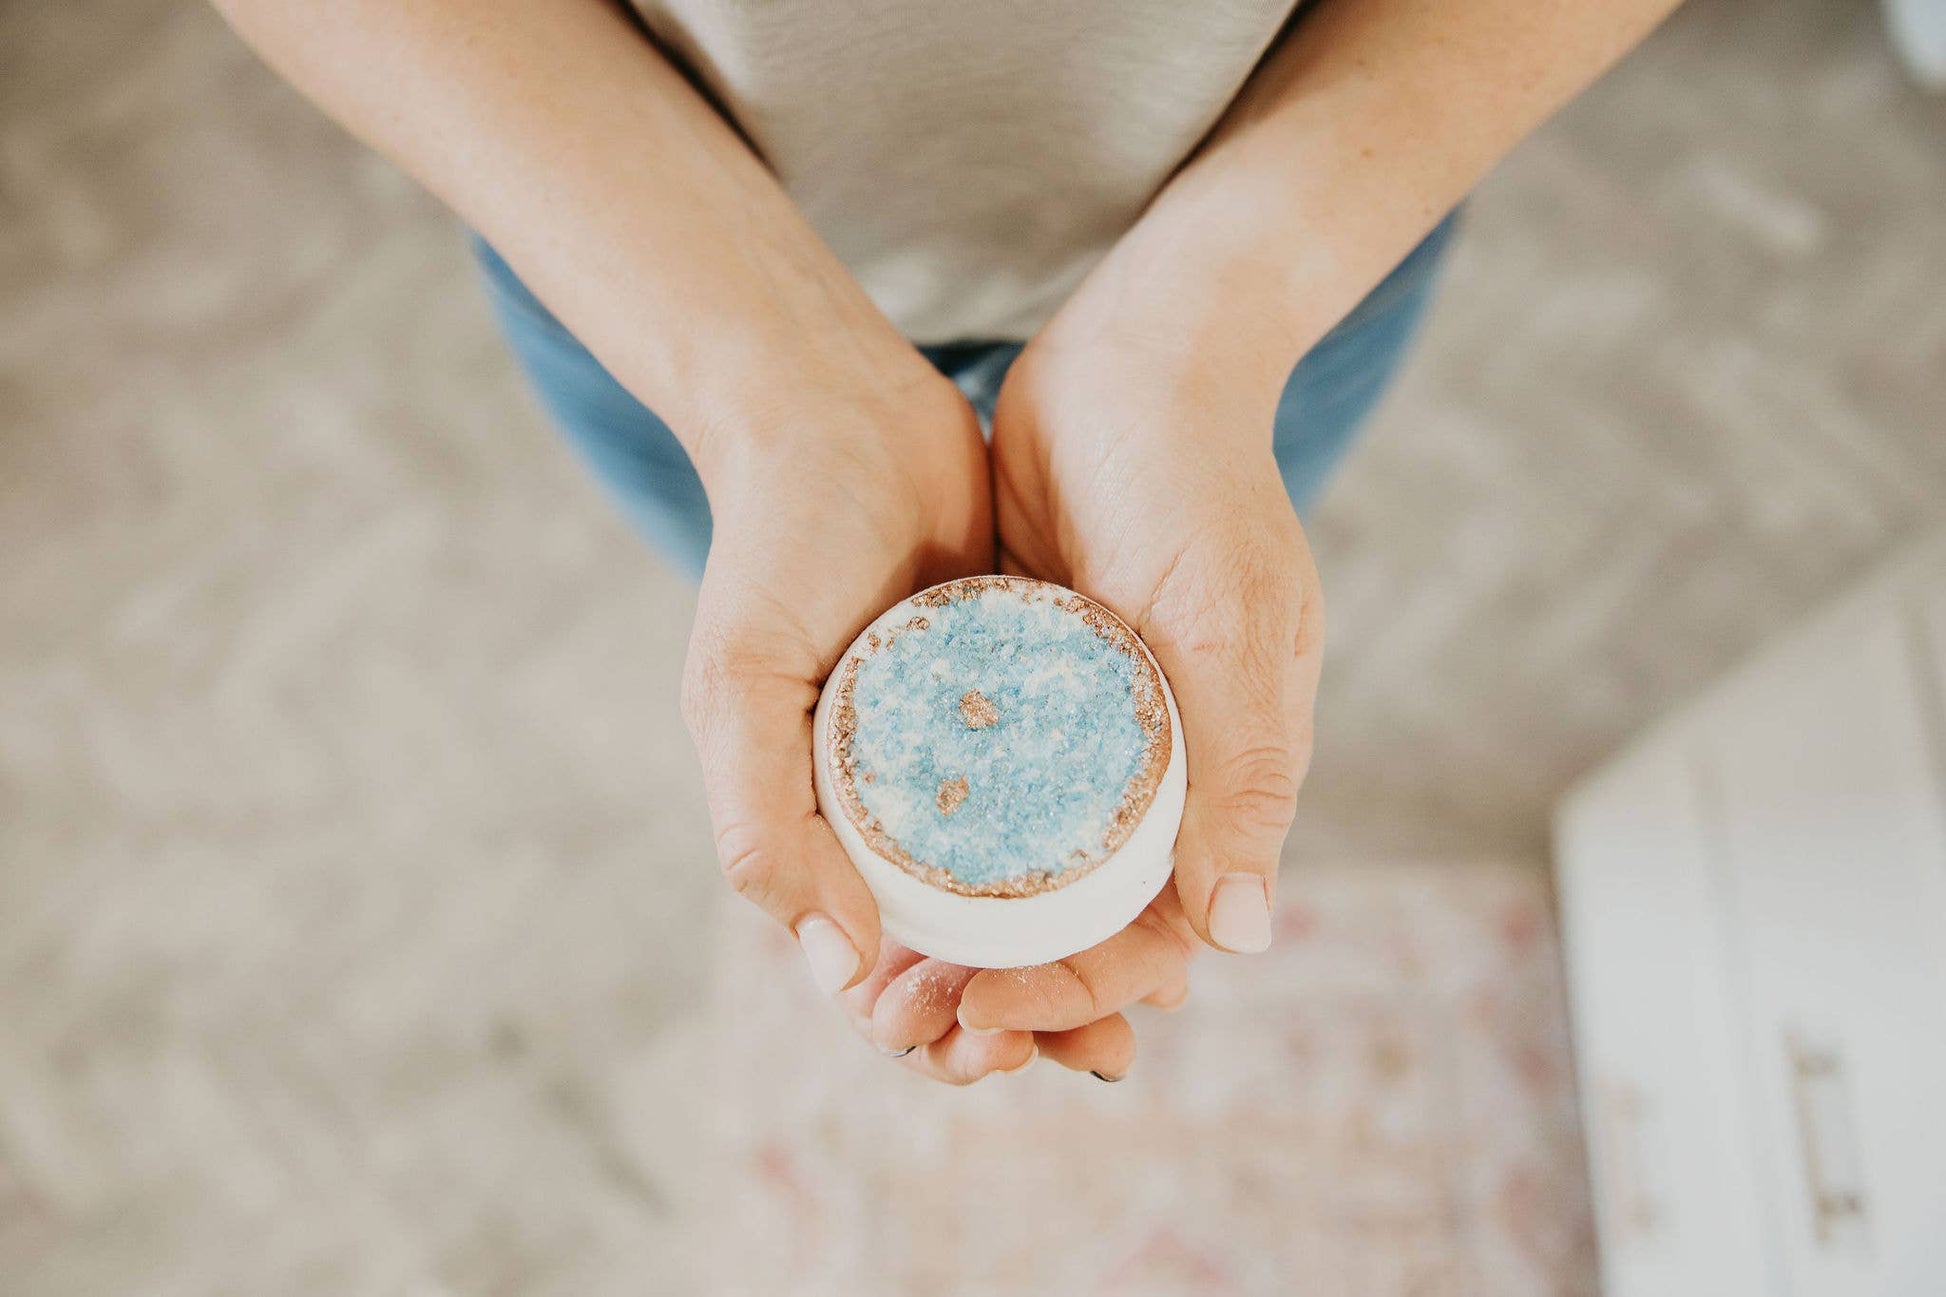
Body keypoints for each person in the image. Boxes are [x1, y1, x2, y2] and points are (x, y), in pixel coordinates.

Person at [216, 0, 1678, 1084]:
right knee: (765, 607)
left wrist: (1206, 317)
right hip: (639, 240)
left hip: (1293, 225)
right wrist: (758, 364)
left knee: (1204, 615)